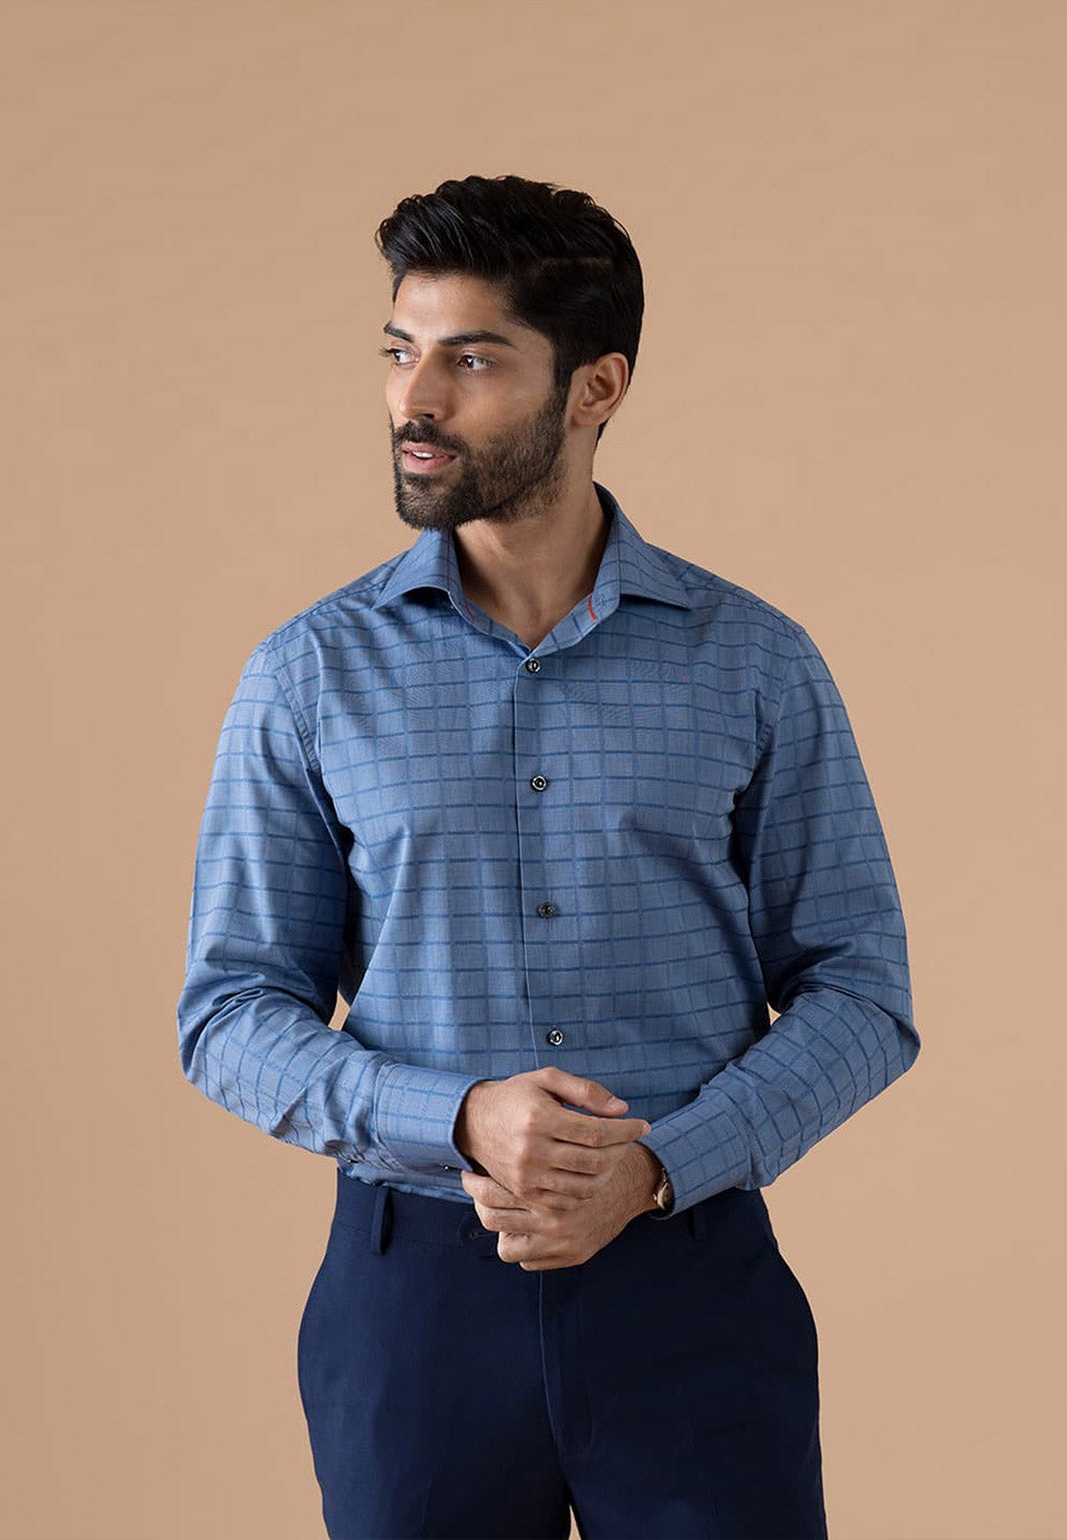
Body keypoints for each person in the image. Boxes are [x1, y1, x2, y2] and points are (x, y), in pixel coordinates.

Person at [176, 173, 919, 1539]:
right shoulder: (309, 674)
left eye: (473, 359)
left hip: (693, 1291)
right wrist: (456, 1117)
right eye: (400, 351)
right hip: (413, 1309)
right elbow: (228, 1013)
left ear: (596, 388)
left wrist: (657, 1167)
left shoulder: (754, 662)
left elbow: (861, 991)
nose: (416, 400)